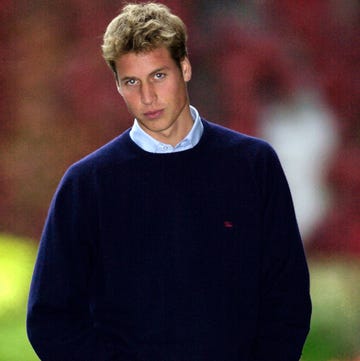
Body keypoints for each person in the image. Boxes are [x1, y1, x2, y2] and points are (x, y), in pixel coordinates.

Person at [27, 3, 311, 361]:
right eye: (132, 81)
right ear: (117, 85)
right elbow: (49, 318)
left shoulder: (253, 166)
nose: (147, 97)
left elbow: (288, 297)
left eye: (159, 75)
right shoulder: (87, 184)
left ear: (185, 68)